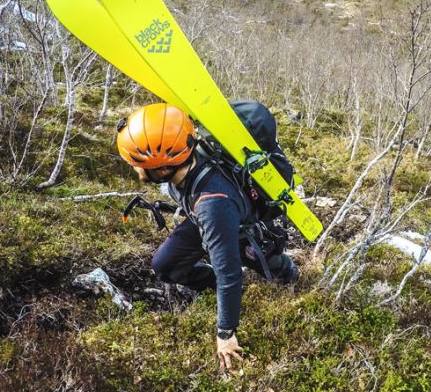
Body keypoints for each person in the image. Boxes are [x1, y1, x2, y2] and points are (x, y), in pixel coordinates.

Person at [116, 103, 299, 371]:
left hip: (232, 225)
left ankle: (288, 272)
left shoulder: (213, 205)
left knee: (268, 268)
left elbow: (230, 274)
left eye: (139, 164)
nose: (135, 170)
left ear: (163, 168)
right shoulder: (185, 153)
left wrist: (225, 334)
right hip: (202, 218)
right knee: (165, 266)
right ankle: (212, 285)